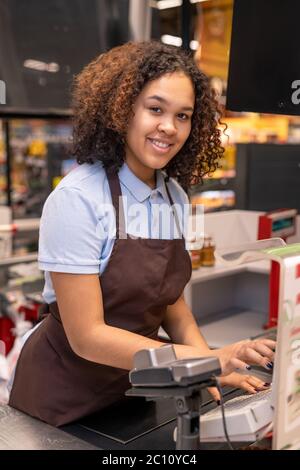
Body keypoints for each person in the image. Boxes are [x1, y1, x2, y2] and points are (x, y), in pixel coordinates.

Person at [9, 41, 275, 427]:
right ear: (121, 108)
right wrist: (206, 359)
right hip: (62, 396)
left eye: (183, 115)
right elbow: (88, 336)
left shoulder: (173, 196)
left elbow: (170, 304)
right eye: (155, 109)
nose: (169, 127)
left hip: (133, 386)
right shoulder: (78, 199)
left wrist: (214, 365)